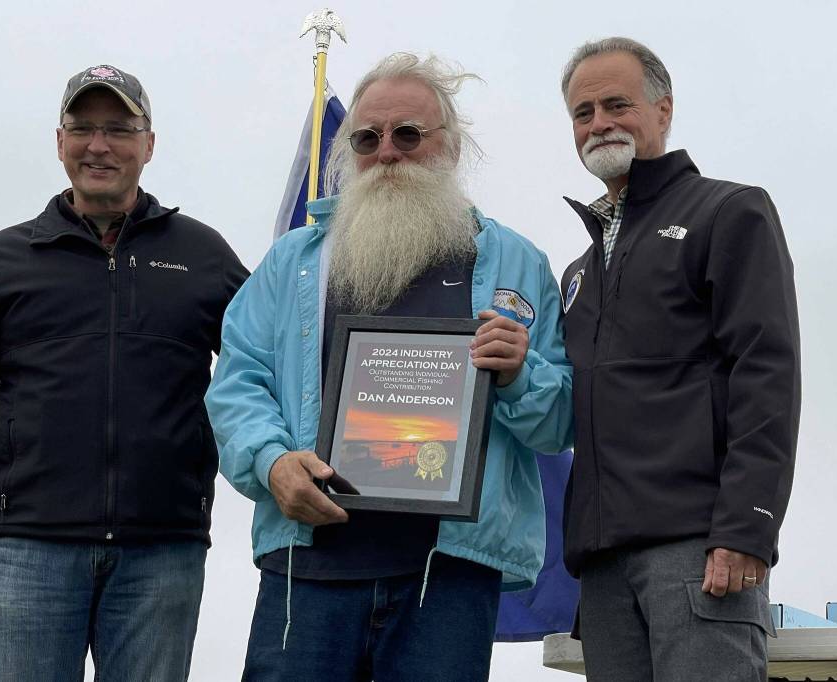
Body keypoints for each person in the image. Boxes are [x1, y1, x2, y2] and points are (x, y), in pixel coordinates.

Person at [206, 52, 573, 681]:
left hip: (450, 574)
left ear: (451, 147)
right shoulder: (292, 261)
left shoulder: (518, 263)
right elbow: (238, 384)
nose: (387, 152)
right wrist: (271, 463)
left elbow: (559, 421)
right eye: (367, 138)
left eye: (408, 134)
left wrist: (519, 375)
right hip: (309, 567)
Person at [0, 64, 247, 680]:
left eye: (119, 128)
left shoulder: (203, 256)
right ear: (59, 141)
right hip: (27, 549)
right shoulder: (4, 259)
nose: (99, 145)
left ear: (149, 145)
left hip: (164, 549)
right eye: (82, 127)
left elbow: (266, 367)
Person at [557, 37, 800, 679]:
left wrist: (748, 525)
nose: (599, 122)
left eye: (617, 103)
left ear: (663, 110)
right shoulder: (576, 274)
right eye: (583, 113)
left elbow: (767, 371)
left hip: (698, 550)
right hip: (603, 567)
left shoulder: (727, 211)